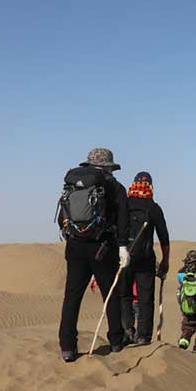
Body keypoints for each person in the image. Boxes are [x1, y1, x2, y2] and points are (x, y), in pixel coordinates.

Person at [57, 148, 130, 363]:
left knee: (72, 297)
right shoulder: (115, 187)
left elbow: (63, 215)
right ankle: (116, 340)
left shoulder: (72, 185)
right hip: (102, 247)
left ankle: (67, 346)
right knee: (110, 295)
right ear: (109, 167)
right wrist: (123, 246)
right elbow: (123, 219)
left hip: (75, 246)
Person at [119, 172, 170, 346]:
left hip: (123, 256)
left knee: (124, 295)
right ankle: (143, 336)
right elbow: (164, 237)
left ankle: (126, 331)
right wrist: (165, 261)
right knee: (146, 298)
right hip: (145, 258)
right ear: (151, 186)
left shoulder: (123, 204)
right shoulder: (153, 207)